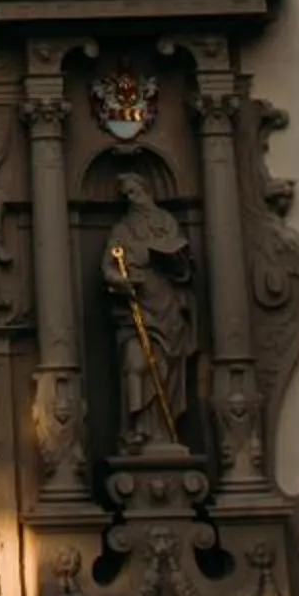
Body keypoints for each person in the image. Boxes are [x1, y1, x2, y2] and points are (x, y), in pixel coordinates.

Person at [101, 173, 193, 452]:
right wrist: (121, 281)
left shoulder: (167, 222)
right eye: (127, 194)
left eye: (135, 191)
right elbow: (108, 267)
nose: (132, 198)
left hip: (166, 304)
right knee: (136, 363)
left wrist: (173, 262)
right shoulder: (122, 230)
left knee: (167, 368)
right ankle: (136, 429)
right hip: (136, 306)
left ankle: (163, 432)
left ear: (146, 189)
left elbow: (184, 263)